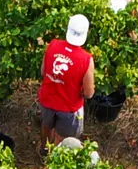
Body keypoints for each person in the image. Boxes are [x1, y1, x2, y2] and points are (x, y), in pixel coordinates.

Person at [38, 13, 95, 146]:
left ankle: (44, 149)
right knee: (63, 139)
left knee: (46, 127)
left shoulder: (52, 45)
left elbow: (43, 71)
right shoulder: (86, 59)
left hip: (47, 100)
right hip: (69, 107)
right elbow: (89, 93)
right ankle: (55, 160)